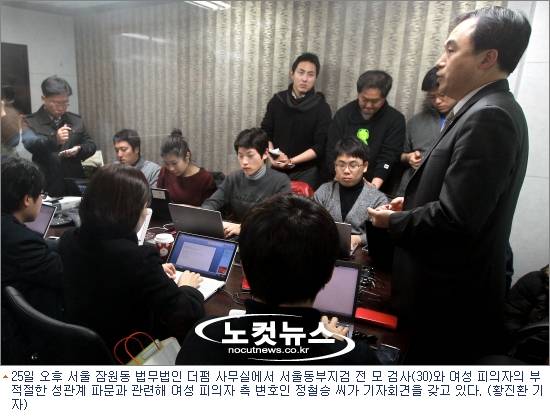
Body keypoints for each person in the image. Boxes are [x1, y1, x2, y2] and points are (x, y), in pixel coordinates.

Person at [367, 6, 531, 364]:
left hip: (448, 302)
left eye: (451, 49)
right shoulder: (483, 108)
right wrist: (412, 205)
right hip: (443, 294)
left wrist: (393, 222)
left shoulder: (489, 116)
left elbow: (457, 220)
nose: (440, 62)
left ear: (488, 58)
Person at [177, 194, 380, 365]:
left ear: (244, 269)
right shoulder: (357, 361)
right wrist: (335, 346)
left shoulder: (202, 340)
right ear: (329, 274)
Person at [58, 164, 205, 349]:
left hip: (82, 344)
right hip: (129, 350)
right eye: (144, 206)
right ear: (129, 211)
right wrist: (187, 287)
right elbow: (184, 315)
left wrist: (153, 272)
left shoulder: (69, 239)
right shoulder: (139, 259)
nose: (145, 212)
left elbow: (107, 274)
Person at [1, 157, 64, 363]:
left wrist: (57, 244)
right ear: (27, 199)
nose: (42, 200)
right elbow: (62, 275)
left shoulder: (11, 230)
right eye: (41, 195)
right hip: (20, 341)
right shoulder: (17, 239)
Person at [325, 70, 405, 194]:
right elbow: (331, 151)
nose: (368, 105)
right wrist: (341, 178)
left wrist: (372, 188)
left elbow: (388, 158)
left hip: (377, 185)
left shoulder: (395, 120)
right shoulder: (343, 114)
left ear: (384, 98)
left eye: (375, 101)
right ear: (358, 94)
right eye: (364, 99)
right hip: (341, 181)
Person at [201, 128, 291, 238]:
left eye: (250, 155)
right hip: (235, 235)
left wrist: (244, 228)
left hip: (263, 237)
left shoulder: (280, 181)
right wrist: (204, 215)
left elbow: (280, 221)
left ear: (265, 154)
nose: (244, 162)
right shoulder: (233, 178)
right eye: (240, 155)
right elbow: (212, 202)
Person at [261, 52, 332, 188]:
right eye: (301, 72)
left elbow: (320, 146)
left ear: (315, 78)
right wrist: (274, 157)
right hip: (277, 167)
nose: (304, 79)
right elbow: (265, 132)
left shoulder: (322, 108)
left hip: (307, 172)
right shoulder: (278, 100)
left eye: (310, 74)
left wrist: (291, 161)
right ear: (292, 74)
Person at [24, 76, 96, 196]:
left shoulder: (75, 120)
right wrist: (54, 139)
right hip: (47, 183)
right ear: (44, 98)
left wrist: (79, 149)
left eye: (65, 103)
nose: (62, 107)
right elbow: (31, 145)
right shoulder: (31, 121)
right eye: (57, 103)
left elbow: (91, 145)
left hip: (74, 182)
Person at [314, 137, 388, 252]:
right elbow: (311, 224)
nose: (346, 171)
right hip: (324, 249)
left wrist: (359, 239)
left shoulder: (378, 199)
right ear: (335, 166)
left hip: (360, 254)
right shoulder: (324, 191)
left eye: (353, 165)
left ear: (365, 166)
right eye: (341, 165)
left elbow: (381, 234)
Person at [397, 67, 457, 195]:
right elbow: (399, 154)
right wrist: (408, 157)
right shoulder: (416, 122)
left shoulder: (468, 120)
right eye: (432, 97)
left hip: (445, 191)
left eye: (443, 95)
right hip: (412, 189)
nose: (437, 101)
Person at [157, 129, 216, 206]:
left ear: (187, 156)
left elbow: (210, 209)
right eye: (166, 163)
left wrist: (189, 209)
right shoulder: (165, 171)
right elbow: (159, 199)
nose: (171, 168)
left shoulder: (205, 178)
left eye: (174, 163)